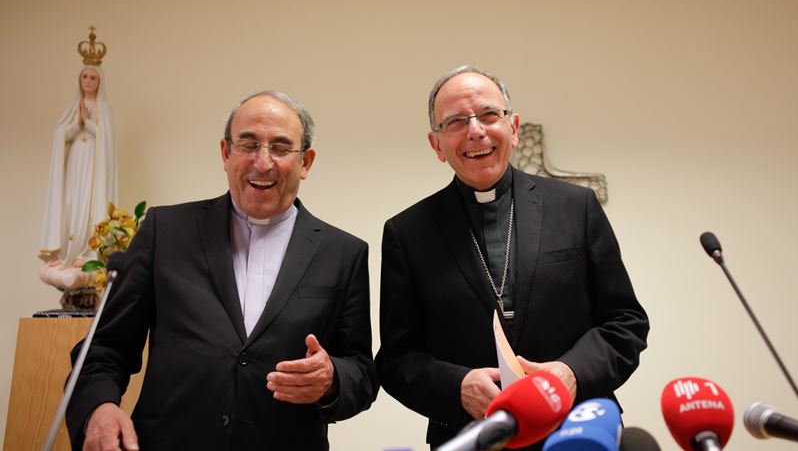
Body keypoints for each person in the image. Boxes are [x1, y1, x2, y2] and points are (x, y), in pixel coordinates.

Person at [66, 91, 377, 450]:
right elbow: (104, 347)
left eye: (280, 147)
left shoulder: (343, 252)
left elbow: (362, 373)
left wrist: (332, 379)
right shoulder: (165, 231)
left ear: (306, 162)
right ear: (225, 154)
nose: (263, 162)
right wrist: (99, 408)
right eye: (248, 144)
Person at [375, 66, 649, 450]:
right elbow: (396, 360)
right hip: (472, 435)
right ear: (436, 145)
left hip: (578, 432)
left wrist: (572, 372)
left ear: (514, 127)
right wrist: (458, 387)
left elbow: (626, 323)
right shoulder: (407, 233)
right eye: (455, 122)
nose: (475, 131)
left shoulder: (575, 207)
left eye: (489, 115)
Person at [39, 64, 117, 289]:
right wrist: (77, 123)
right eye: (84, 76)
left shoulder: (105, 108)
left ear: (99, 81)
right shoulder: (72, 106)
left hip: (93, 167)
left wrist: (89, 122)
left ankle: (87, 251)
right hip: (76, 162)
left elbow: (106, 139)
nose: (88, 81)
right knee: (72, 205)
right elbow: (61, 134)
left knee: (87, 206)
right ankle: (67, 253)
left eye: (93, 77)